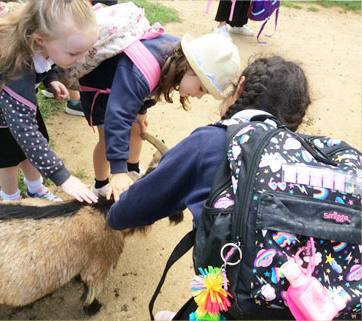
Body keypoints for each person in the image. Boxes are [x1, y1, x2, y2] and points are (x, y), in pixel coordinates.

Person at [107, 56, 311, 320]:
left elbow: (131, 210)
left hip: (240, 297)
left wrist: (115, 214)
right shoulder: (308, 154)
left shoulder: (212, 142)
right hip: (309, 302)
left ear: (240, 88)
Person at [0, 0, 99, 203]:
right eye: (74, 53)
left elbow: (47, 57)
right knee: (7, 158)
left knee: (29, 148)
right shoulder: (15, 68)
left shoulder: (41, 33)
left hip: (15, 100)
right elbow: (25, 130)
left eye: (86, 51)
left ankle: (35, 189)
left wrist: (51, 79)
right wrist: (62, 177)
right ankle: (11, 200)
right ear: (39, 40)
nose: (82, 60)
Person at [78, 32, 240, 201]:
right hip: (103, 92)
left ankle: (132, 170)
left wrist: (141, 111)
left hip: (125, 91)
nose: (198, 96)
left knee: (136, 129)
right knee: (108, 138)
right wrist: (118, 170)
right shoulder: (143, 72)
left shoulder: (176, 60)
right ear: (190, 68)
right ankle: (101, 185)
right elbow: (117, 116)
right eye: (202, 89)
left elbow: (154, 87)